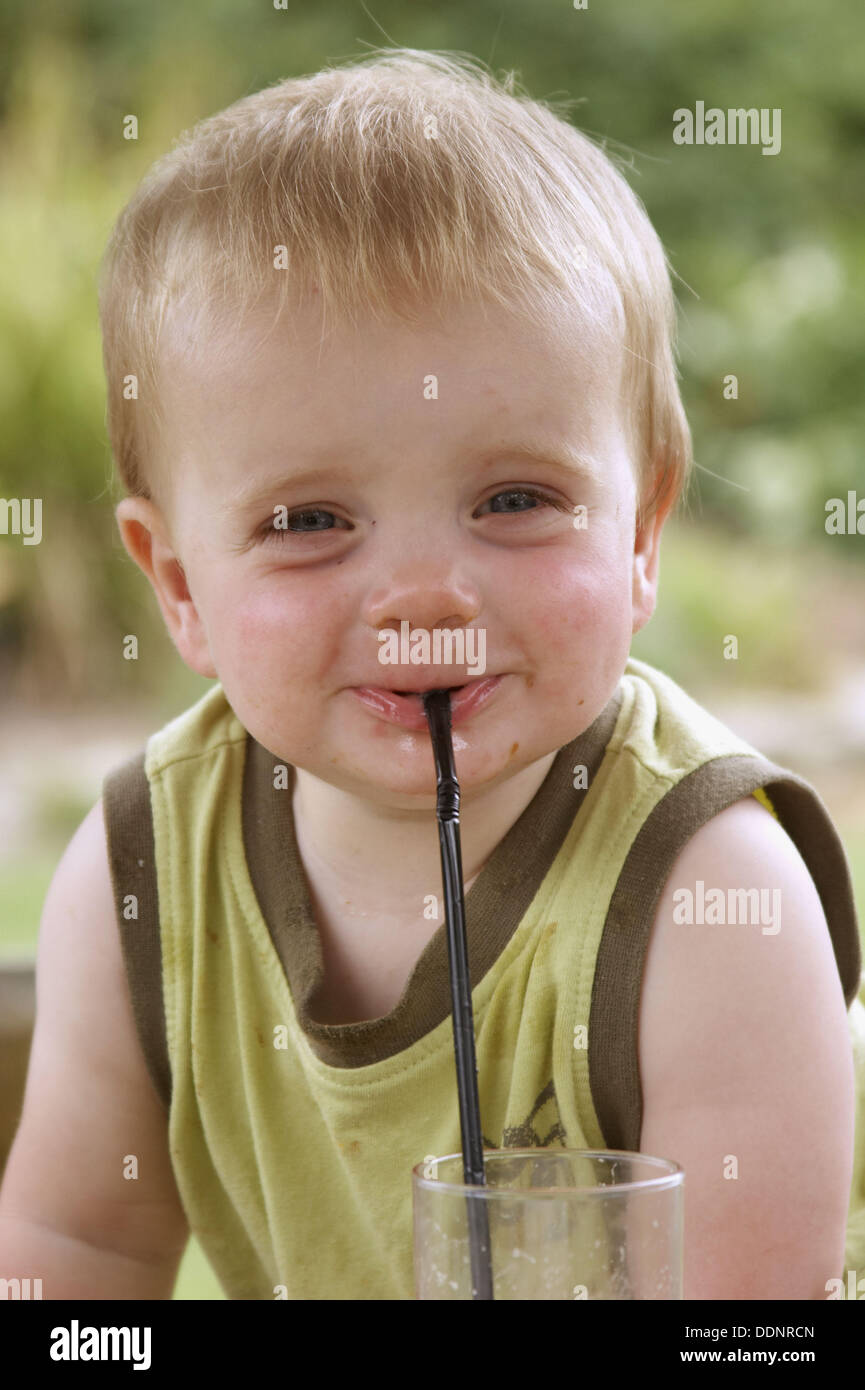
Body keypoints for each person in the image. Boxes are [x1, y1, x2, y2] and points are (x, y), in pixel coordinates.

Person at [1, 47, 863, 1301]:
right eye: (308, 520)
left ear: (639, 536)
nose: (423, 593)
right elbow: (73, 1262)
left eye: (514, 499)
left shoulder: (709, 894)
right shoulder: (141, 877)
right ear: (179, 584)